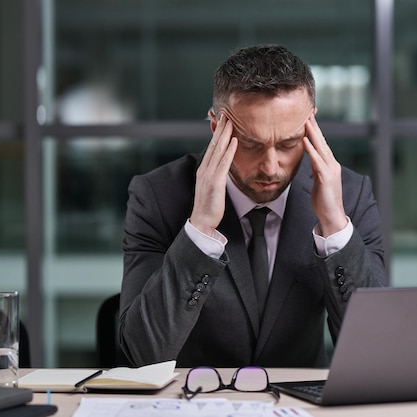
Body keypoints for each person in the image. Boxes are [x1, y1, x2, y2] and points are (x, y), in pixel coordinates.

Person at [119, 44, 387, 368]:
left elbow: (375, 348)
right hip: (197, 400)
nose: (271, 167)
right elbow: (141, 355)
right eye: (250, 145)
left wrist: (334, 228)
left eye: (289, 144)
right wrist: (200, 228)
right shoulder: (156, 196)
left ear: (311, 126)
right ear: (217, 128)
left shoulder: (351, 195)